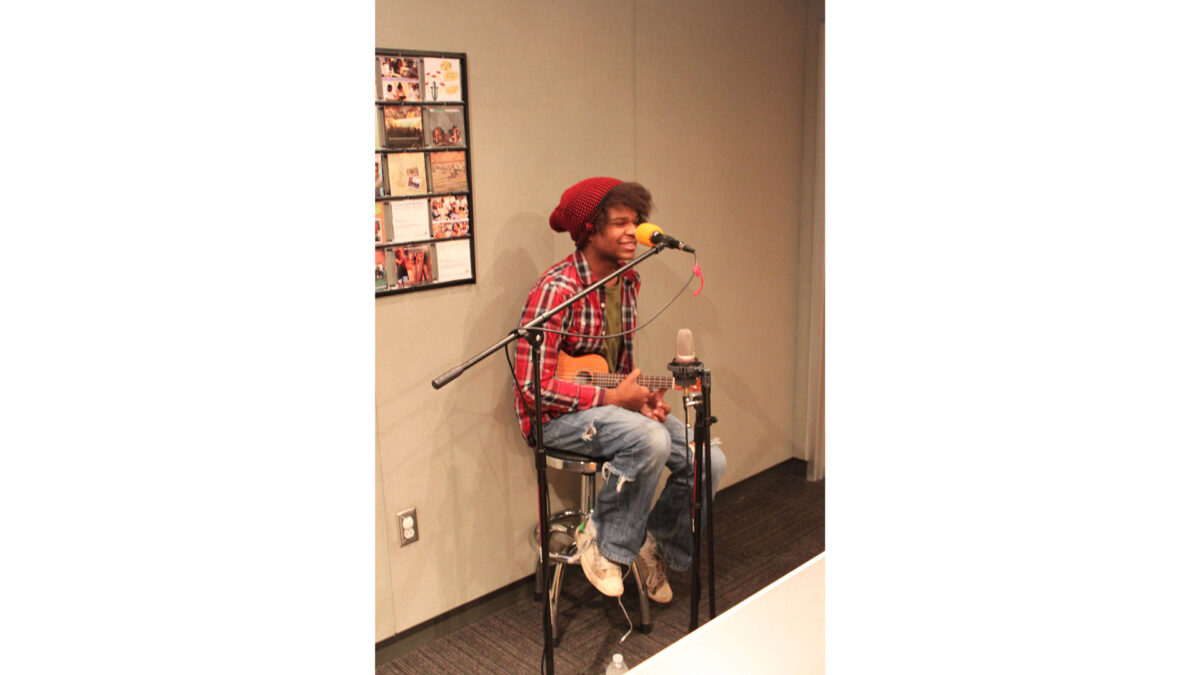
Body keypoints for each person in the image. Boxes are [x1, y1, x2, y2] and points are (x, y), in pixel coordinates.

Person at [513, 177, 726, 603]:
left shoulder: (627, 283)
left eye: (637, 221)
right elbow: (533, 385)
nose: (634, 232)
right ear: (591, 229)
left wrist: (641, 399)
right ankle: (605, 542)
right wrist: (613, 399)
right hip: (555, 420)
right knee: (649, 441)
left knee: (708, 457)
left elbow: (616, 371)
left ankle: (652, 543)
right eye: (621, 223)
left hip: (610, 410)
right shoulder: (557, 289)